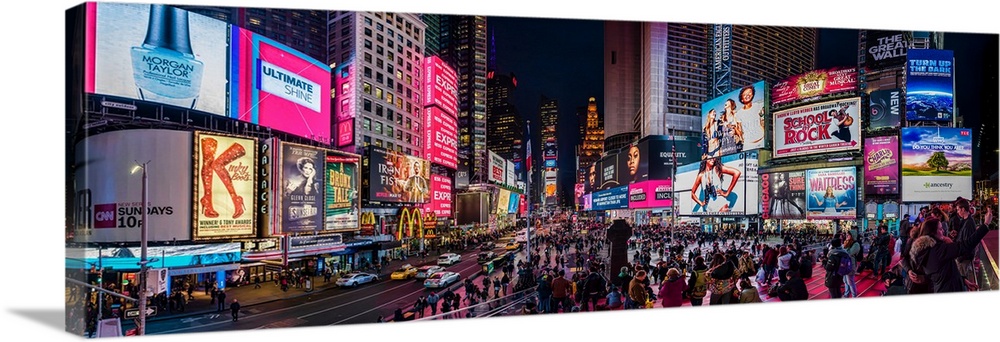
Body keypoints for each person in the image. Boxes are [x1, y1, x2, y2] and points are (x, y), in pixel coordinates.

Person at [910, 208, 993, 293]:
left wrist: (963, 280)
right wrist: (986, 224)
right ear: (933, 232)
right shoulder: (939, 250)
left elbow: (945, 273)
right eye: (940, 229)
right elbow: (966, 245)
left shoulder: (928, 250)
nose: (943, 231)